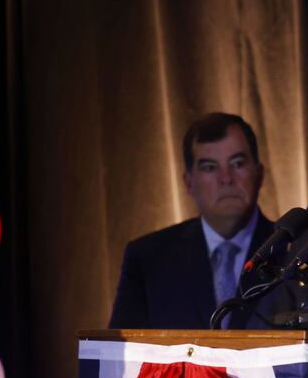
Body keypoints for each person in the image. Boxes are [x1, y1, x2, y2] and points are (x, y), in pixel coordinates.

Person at [109, 112, 274, 329]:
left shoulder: (295, 252)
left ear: (259, 174)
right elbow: (120, 357)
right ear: (188, 182)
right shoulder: (148, 259)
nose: (226, 178)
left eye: (237, 163)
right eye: (209, 167)